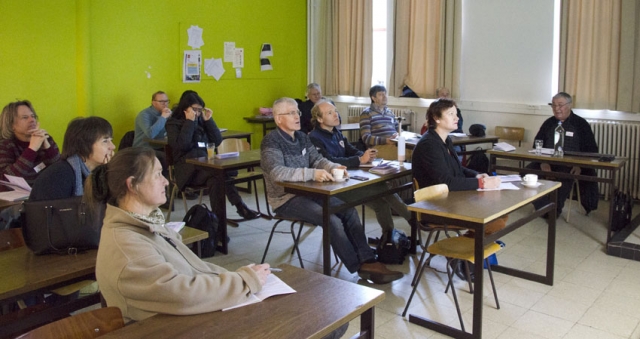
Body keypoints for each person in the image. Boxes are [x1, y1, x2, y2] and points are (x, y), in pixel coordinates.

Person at [87, 147, 269, 322]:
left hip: (185, 320)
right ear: (133, 185)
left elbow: (194, 271)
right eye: (158, 174)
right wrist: (244, 281)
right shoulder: (126, 245)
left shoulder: (148, 223)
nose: (166, 181)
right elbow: (181, 294)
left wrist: (240, 277)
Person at [261, 97, 403, 284]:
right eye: (292, 113)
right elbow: (277, 173)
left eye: (298, 112)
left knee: (349, 211)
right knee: (331, 218)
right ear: (279, 119)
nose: (297, 116)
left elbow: (318, 160)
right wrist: (312, 173)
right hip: (286, 198)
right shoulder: (272, 141)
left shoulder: (302, 137)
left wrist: (333, 167)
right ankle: (358, 266)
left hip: (309, 192)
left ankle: (368, 259)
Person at [308, 100, 412, 234]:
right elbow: (329, 161)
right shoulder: (314, 138)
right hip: (333, 186)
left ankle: (389, 237)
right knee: (383, 189)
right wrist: (359, 160)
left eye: (336, 111)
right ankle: (414, 220)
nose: (336, 115)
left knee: (381, 200)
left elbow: (351, 150)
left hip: (349, 179)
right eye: (330, 113)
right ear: (319, 118)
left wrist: (365, 155)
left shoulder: (336, 132)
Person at [165, 90, 260, 220]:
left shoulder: (201, 121)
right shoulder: (173, 124)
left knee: (217, 178)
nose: (197, 113)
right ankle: (239, 206)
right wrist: (189, 122)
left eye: (200, 110)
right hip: (186, 171)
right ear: (184, 108)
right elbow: (182, 146)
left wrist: (209, 121)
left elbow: (217, 141)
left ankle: (220, 224)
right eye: (194, 109)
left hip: (205, 167)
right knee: (220, 174)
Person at [526, 92, 599, 216]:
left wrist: (579, 165)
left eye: (560, 105)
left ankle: (553, 211)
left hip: (570, 165)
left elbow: (591, 150)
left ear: (569, 105)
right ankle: (543, 206)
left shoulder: (580, 124)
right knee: (526, 172)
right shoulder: (549, 123)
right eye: (553, 105)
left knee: (563, 176)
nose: (556, 109)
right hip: (548, 162)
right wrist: (543, 162)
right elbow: (537, 144)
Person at [30, 117, 115, 201]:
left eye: (111, 140)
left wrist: (110, 171)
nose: (113, 146)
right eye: (105, 141)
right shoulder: (60, 175)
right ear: (84, 145)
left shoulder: (101, 173)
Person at [0, 100, 60, 186]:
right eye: (25, 117)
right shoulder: (5, 146)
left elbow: (59, 170)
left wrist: (47, 147)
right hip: (17, 197)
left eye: (33, 116)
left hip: (46, 194)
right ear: (11, 125)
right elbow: (6, 179)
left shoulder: (46, 138)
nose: (32, 120)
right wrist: (32, 149)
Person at [133, 91, 171, 173]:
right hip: (144, 149)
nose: (165, 104)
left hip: (160, 147)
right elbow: (151, 134)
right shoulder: (144, 115)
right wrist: (163, 117)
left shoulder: (167, 113)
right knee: (165, 157)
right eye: (161, 101)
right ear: (153, 102)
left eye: (167, 101)